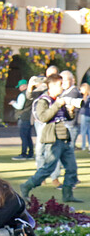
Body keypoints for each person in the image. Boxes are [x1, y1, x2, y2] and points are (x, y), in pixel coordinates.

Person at [20, 73, 82, 203]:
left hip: (64, 137)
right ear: (52, 85)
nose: (62, 88)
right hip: (52, 138)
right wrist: (57, 105)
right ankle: (27, 186)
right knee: (48, 168)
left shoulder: (59, 99)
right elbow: (43, 117)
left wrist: (70, 111)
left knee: (72, 168)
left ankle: (67, 194)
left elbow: (67, 117)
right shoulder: (44, 100)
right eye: (60, 85)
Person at [9, 80, 34, 160]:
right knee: (28, 136)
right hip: (29, 117)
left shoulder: (22, 95)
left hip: (23, 117)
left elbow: (19, 106)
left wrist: (13, 103)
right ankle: (30, 153)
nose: (19, 88)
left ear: (24, 86)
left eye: (20, 86)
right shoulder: (31, 94)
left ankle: (24, 153)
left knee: (24, 136)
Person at [79, 83, 90, 152]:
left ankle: (83, 146)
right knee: (89, 131)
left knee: (83, 131)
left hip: (85, 114)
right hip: (88, 115)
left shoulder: (85, 98)